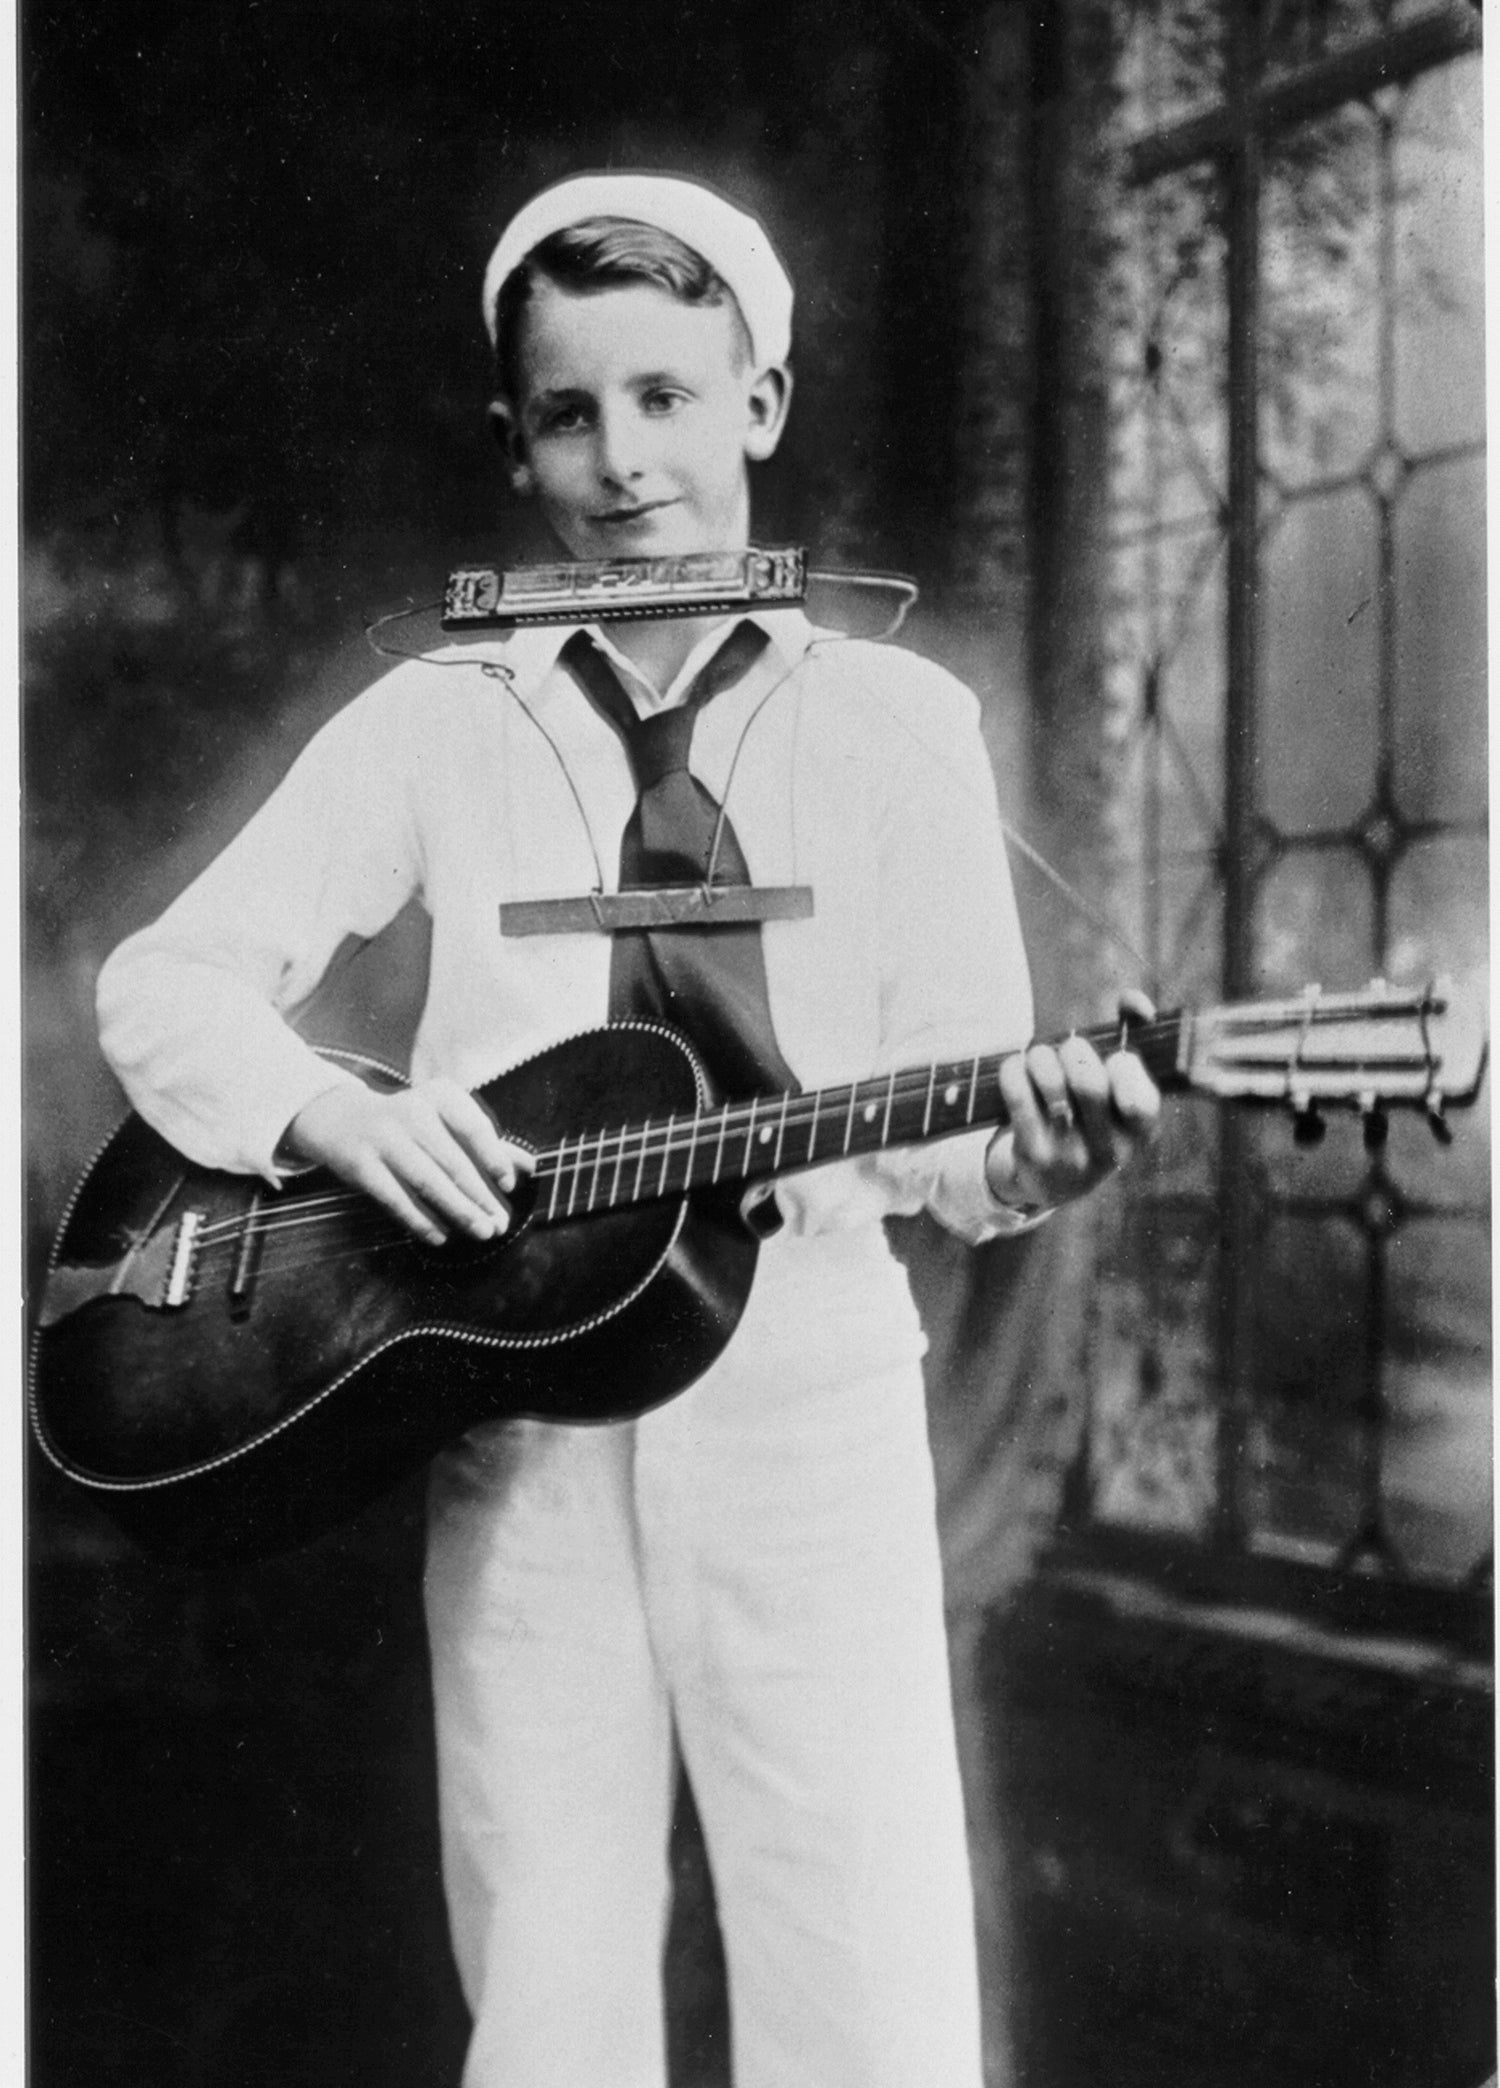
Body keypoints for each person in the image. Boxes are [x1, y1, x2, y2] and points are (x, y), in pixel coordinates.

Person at [96, 172, 1160, 2088]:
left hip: (812, 1397)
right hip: (510, 1407)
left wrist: (1032, 1155)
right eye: (571, 414)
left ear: (760, 402)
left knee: (867, 1988)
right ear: (515, 443)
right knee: (547, 1985)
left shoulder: (899, 720)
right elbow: (162, 985)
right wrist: (328, 1113)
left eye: (667, 398)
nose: (624, 461)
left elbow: (957, 1116)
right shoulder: (441, 717)